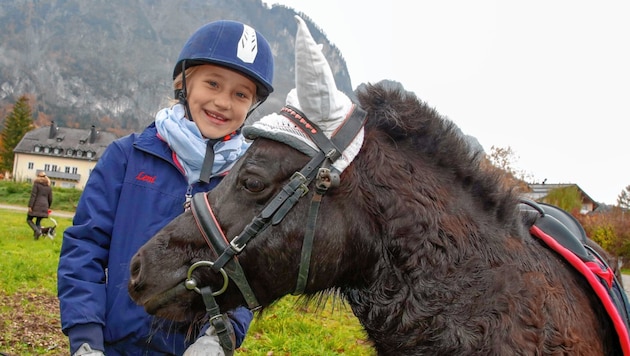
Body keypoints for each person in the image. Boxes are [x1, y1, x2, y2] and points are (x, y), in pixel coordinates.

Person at [57, 19, 274, 356]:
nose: (223, 102)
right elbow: (84, 248)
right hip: (110, 347)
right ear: (183, 83)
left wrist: (218, 337)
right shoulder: (126, 157)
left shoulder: (247, 185)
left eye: (240, 94)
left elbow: (245, 274)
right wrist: (85, 336)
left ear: (251, 106)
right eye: (213, 83)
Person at [27, 171, 53, 240]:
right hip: (45, 206)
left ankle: (37, 231)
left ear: (38, 176)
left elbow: (33, 195)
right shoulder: (48, 186)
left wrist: (30, 206)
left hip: (36, 205)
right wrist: (48, 207)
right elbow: (50, 198)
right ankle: (37, 236)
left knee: (29, 219)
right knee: (38, 222)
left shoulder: (36, 184)